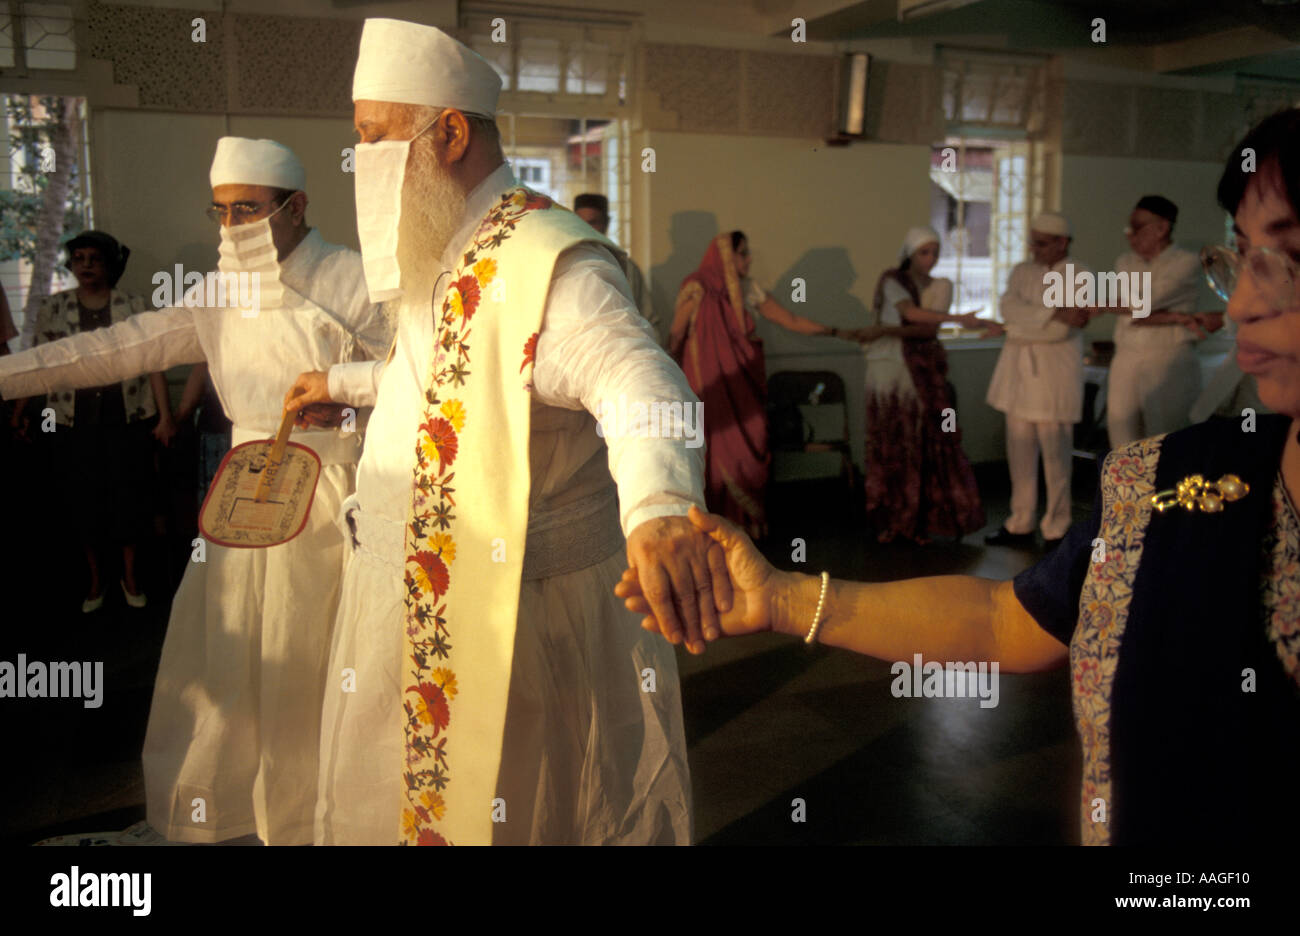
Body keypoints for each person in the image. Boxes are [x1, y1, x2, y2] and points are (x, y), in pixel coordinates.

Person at [617, 109, 1300, 846]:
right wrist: (782, 597)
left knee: (1041, 449)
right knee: (1028, 450)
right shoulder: (1165, 481)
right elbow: (1004, 621)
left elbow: (1052, 321)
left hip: (1031, 368)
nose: (1240, 304)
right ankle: (1020, 518)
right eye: (1240, 257)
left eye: (1288, 256)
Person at [283, 18, 730, 846]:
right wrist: (339, 386)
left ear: (449, 134)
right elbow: (443, 381)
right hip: (412, 600)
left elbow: (638, 376)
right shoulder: (443, 243)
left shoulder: (545, 259)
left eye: (374, 138)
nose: (360, 161)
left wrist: (661, 505)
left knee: (523, 813)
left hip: (510, 620)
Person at [0, 137, 391, 845]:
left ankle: (318, 819)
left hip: (334, 491)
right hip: (242, 496)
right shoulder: (218, 293)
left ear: (296, 206)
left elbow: (420, 375)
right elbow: (118, 348)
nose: (233, 225)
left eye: (249, 209)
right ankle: (238, 812)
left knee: (318, 658)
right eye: (222, 211)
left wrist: (349, 398)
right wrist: (8, 377)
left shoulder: (351, 279)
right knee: (231, 658)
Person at [9, 231, 173, 611]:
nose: (86, 265)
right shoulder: (55, 307)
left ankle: (130, 576)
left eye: (94, 259)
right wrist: (18, 411)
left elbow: (154, 363)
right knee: (82, 501)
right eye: (79, 258)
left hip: (125, 417)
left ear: (108, 265)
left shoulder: (133, 304)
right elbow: (39, 364)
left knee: (129, 498)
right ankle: (96, 579)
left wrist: (166, 416)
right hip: (72, 420)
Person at [669, 230, 852, 540]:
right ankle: (712, 530)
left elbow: (790, 320)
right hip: (709, 392)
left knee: (749, 447)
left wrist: (836, 331)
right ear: (725, 256)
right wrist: (667, 377)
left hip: (744, 391)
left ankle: (744, 529)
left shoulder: (748, 290)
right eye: (742, 253)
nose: (749, 259)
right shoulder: (697, 288)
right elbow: (676, 336)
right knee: (709, 453)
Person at [858, 227, 998, 544]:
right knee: (891, 441)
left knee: (925, 442)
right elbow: (910, 314)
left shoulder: (940, 286)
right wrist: (960, 319)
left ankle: (921, 519)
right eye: (924, 252)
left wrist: (952, 320)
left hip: (923, 371)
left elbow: (926, 330)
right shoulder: (892, 281)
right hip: (889, 369)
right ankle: (892, 517)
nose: (931, 259)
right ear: (910, 254)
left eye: (935, 253)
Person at [985, 213, 1090, 551]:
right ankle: (1020, 521)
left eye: (1042, 243)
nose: (1034, 249)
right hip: (1017, 374)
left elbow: (1059, 333)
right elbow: (1007, 306)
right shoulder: (1021, 271)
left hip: (1053, 377)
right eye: (1032, 242)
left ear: (1062, 242)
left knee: (1056, 458)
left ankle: (1057, 526)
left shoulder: (1079, 274)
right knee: (1019, 453)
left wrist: (1013, 327)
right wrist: (1051, 312)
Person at [1098, 195, 1223, 447]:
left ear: (1161, 228)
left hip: (1168, 357)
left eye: (1137, 228)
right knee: (1121, 435)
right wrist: (1171, 316)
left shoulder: (1185, 262)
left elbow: (1143, 301)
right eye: (1129, 228)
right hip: (1126, 354)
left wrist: (1101, 304)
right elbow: (1134, 307)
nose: (1130, 235)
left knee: (1165, 438)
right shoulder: (1125, 262)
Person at [573, 193, 666, 349]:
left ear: (606, 223)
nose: (585, 228)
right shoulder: (565, 265)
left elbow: (648, 319)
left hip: (622, 351)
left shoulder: (626, 268)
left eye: (593, 222)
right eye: (579, 222)